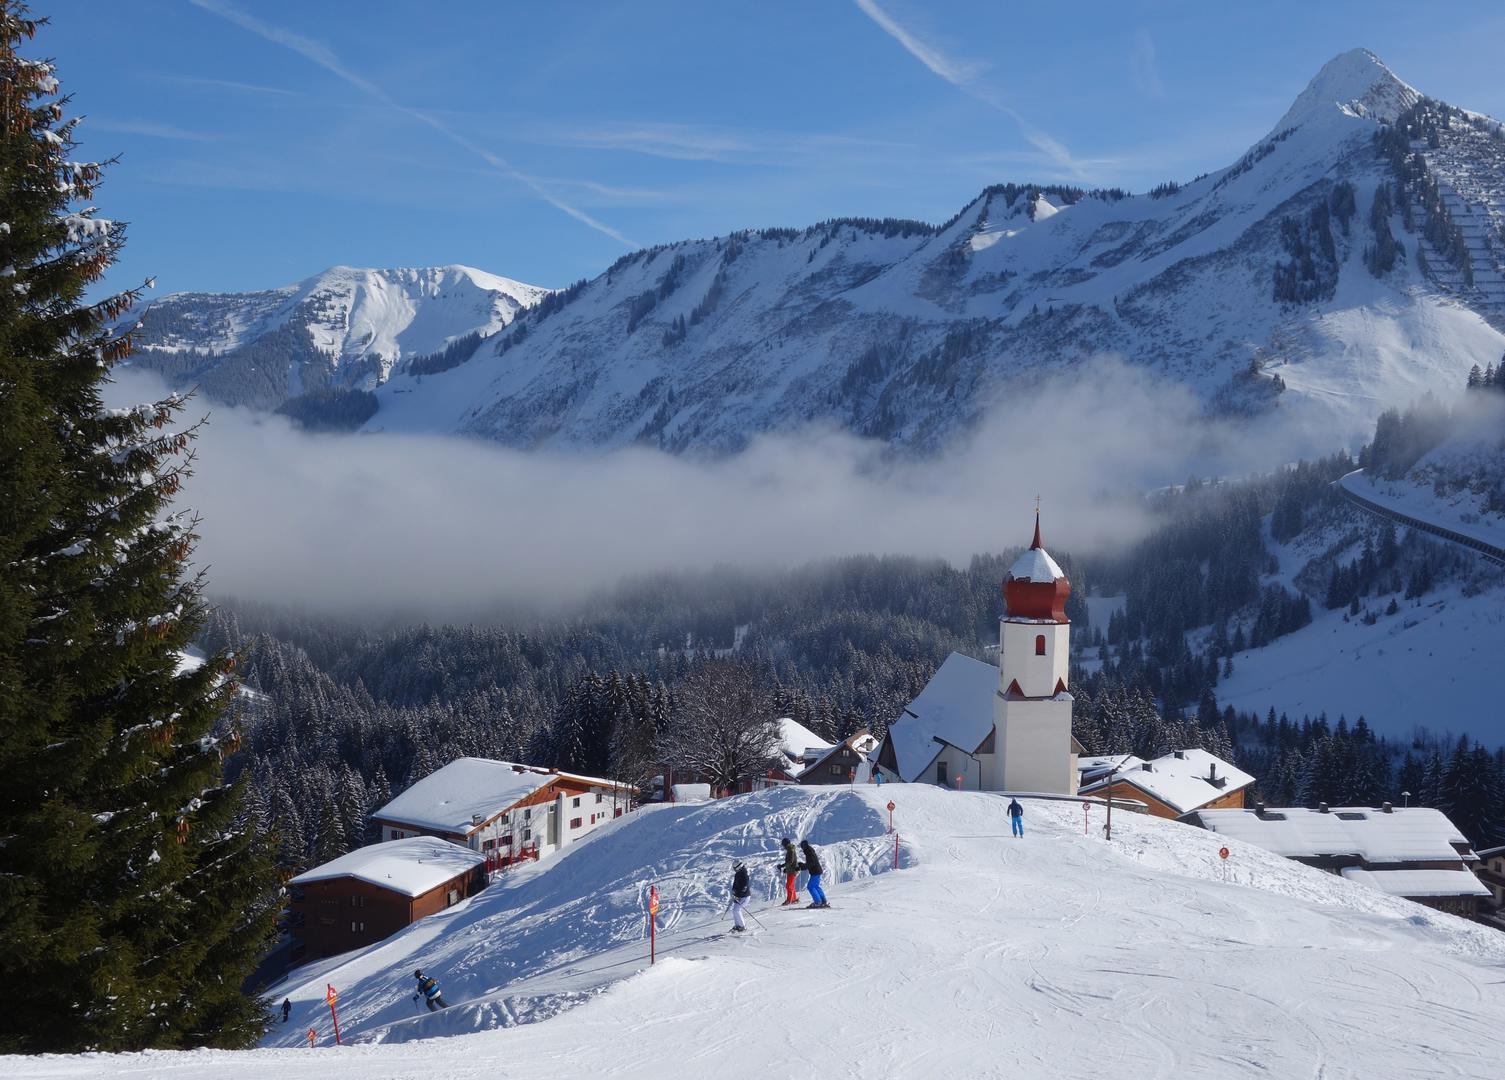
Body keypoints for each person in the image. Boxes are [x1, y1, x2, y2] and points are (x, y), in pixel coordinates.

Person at [799, 840, 828, 908]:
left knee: (810, 886)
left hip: (815, 872)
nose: (802, 848)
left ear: (804, 846)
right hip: (816, 871)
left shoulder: (809, 852)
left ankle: (818, 902)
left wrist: (804, 866)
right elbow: (811, 863)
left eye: (802, 846)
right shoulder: (809, 852)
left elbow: (811, 863)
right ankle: (823, 900)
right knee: (816, 886)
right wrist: (803, 865)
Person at [729, 860, 751, 933]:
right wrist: (734, 891)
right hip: (739, 896)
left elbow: (744, 888)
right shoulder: (737, 874)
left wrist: (738, 895)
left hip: (745, 896)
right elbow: (735, 884)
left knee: (737, 910)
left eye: (735, 868)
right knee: (734, 910)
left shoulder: (744, 875)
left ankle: (742, 926)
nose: (734, 870)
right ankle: (738, 925)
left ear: (739, 867)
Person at [779, 837, 800, 905]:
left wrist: (782, 866)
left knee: (789, 886)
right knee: (791, 885)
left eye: (783, 845)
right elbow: (791, 861)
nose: (783, 846)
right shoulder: (790, 849)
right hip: (791, 870)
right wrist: (786, 869)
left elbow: (790, 861)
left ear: (785, 844)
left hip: (792, 871)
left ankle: (789, 900)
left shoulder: (790, 850)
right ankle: (793, 899)